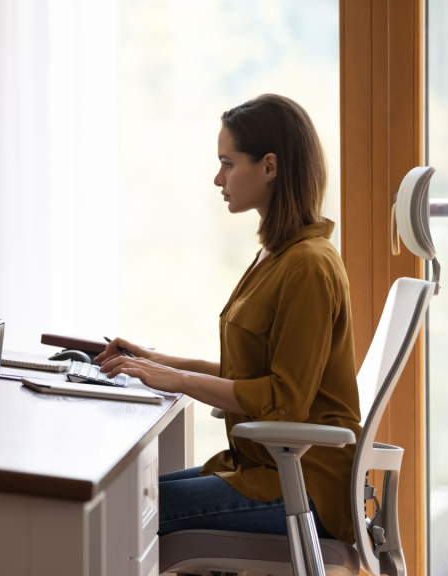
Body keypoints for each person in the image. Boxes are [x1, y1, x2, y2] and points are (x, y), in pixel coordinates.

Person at [96, 94, 362, 544]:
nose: (218, 178)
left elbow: (283, 401)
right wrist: (157, 364)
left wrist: (175, 380)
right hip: (264, 471)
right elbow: (252, 376)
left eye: (228, 163)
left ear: (270, 167)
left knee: (119, 514)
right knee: (121, 497)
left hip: (303, 489)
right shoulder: (277, 255)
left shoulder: (309, 266)